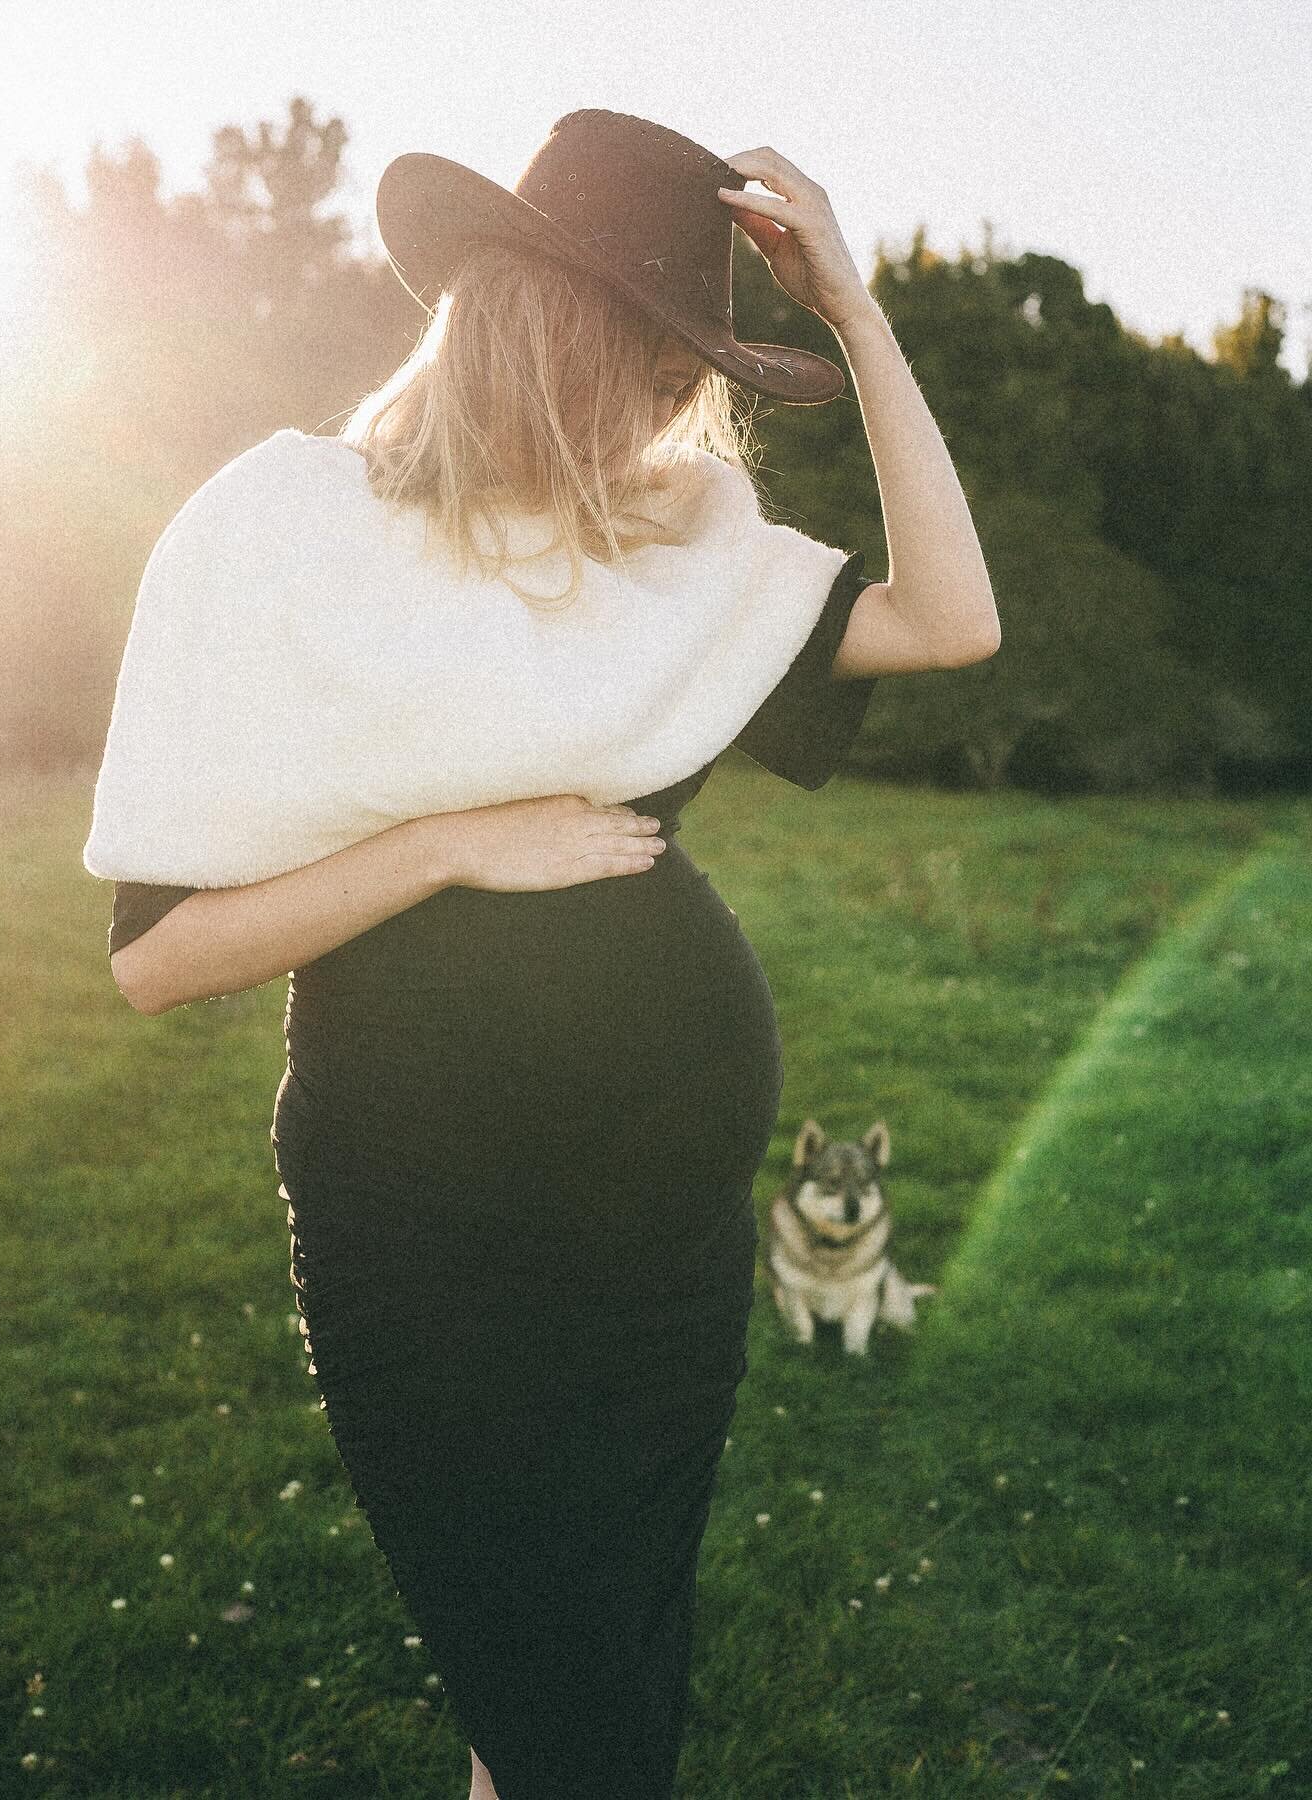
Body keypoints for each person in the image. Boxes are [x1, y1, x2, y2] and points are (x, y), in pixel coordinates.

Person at [95, 110, 998, 1800]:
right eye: (655, 358)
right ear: (538, 331)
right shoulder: (286, 528)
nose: (677, 405)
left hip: (662, 1247)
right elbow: (159, 962)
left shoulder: (679, 550)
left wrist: (859, 319)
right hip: (425, 1234)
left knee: (591, 1689)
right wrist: (445, 844)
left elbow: (953, 619)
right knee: (556, 1686)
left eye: (697, 370)